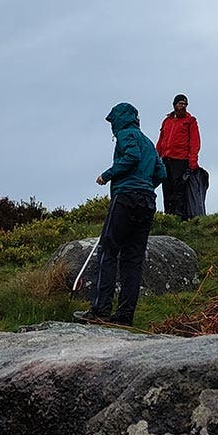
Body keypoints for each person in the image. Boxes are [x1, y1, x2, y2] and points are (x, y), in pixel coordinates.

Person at [75, 102, 166, 326]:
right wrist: (146, 186)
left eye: (112, 121)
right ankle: (125, 316)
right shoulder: (148, 141)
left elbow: (131, 157)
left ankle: (100, 310)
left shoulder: (126, 134)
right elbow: (161, 172)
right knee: (133, 259)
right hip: (147, 201)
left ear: (120, 119)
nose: (111, 127)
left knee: (108, 251)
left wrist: (107, 175)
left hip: (125, 197)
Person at [156, 94, 201, 220]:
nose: (183, 106)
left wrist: (193, 162)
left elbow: (195, 142)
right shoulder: (167, 121)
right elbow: (161, 141)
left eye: (185, 104)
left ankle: (181, 217)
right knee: (167, 188)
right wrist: (155, 157)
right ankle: (169, 216)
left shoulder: (190, 121)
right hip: (166, 159)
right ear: (174, 104)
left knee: (179, 189)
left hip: (181, 160)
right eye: (180, 103)